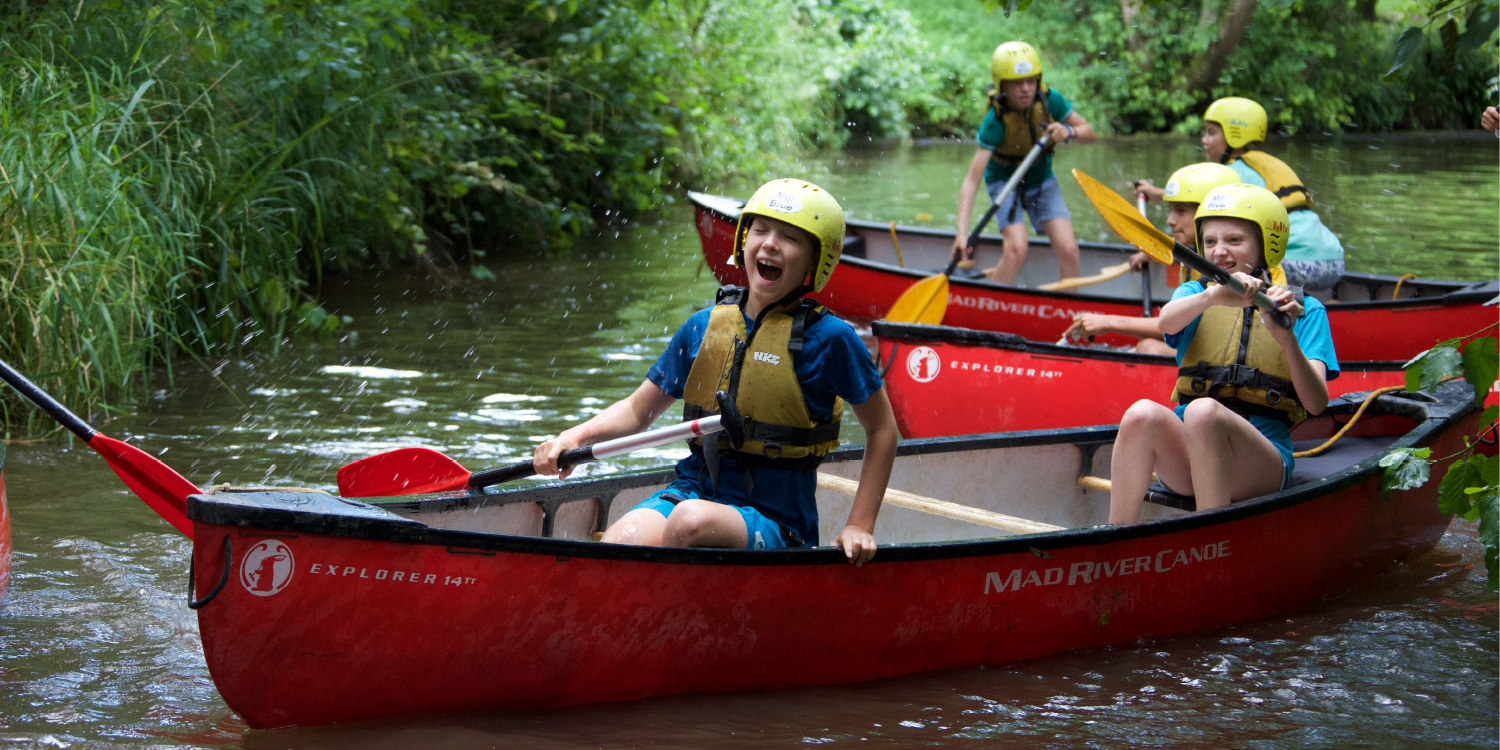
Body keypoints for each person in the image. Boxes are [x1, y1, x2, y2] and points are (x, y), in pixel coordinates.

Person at [532, 178, 899, 566]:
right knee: (623, 539)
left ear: (815, 259)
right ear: (744, 240)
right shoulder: (704, 327)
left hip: (778, 518)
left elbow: (882, 430)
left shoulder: (833, 340)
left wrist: (860, 524)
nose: (770, 243)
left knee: (689, 523)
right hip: (695, 489)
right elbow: (638, 411)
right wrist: (571, 438)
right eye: (760, 230)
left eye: (790, 237)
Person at [1107, 183, 1339, 524]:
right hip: (1188, 461)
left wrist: (1286, 339)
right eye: (1211, 241)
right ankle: (1114, 539)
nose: (1218, 252)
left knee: (1204, 413)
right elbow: (1166, 323)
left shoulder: (1303, 310)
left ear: (1266, 246)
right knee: (1141, 413)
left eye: (1234, 240)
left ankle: (1209, 537)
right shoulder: (1194, 294)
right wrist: (1211, 297)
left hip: (1260, 467)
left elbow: (1316, 403)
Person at [952, 40, 1095, 285]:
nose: (1026, 89)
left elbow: (1089, 133)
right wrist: (961, 234)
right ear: (1002, 84)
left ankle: (1070, 315)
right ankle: (993, 306)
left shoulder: (1050, 100)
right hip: (1005, 185)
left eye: (1031, 80)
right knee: (1017, 248)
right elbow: (971, 181)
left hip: (1041, 181)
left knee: (1069, 249)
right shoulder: (995, 120)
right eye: (1017, 83)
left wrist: (1069, 132)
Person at [1063, 162, 1241, 355]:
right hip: (1202, 346)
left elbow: (1172, 325)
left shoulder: (1224, 268)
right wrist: (1154, 253)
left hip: (1216, 355)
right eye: (1171, 210)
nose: (1170, 220)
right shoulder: (1200, 256)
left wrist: (1108, 321)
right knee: (1140, 346)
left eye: (1180, 211)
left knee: (1148, 348)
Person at [1179, 96, 1345, 290]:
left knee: (1237, 262)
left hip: (1295, 263)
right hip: (1333, 261)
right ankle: (1327, 303)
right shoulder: (1265, 164)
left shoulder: (1233, 175)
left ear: (1235, 135)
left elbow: (1195, 207)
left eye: (1211, 133)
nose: (1204, 140)